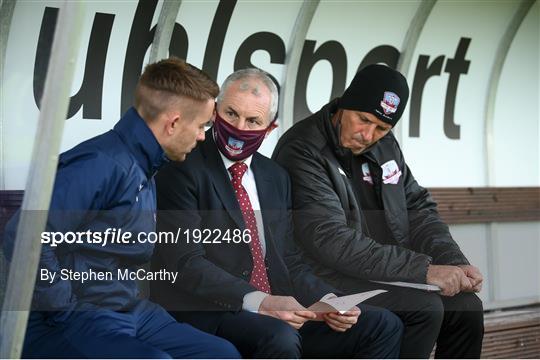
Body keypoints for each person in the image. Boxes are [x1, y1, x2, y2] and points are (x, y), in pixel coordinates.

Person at [151, 68, 404, 358]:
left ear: (270, 128)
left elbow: (288, 259)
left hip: (279, 310)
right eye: (231, 114)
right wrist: (260, 302)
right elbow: (186, 263)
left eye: (253, 120)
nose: (240, 127)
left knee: (382, 324)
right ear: (214, 111)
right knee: (280, 337)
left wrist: (329, 300)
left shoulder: (275, 176)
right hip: (213, 309)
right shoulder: (184, 166)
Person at [3, 58, 240, 358]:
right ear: (174, 123)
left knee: (221, 354)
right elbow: (24, 237)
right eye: (202, 125)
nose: (202, 135)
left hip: (130, 309)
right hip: (73, 316)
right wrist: (63, 308)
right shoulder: (103, 163)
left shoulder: (147, 164)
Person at [272, 64, 484, 358]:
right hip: (327, 276)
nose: (368, 134)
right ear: (345, 104)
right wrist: (423, 270)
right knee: (424, 308)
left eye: (382, 128)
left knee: (466, 307)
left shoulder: (385, 146)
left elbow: (418, 209)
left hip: (382, 272)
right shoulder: (303, 148)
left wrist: (453, 261)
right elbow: (329, 239)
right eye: (363, 119)